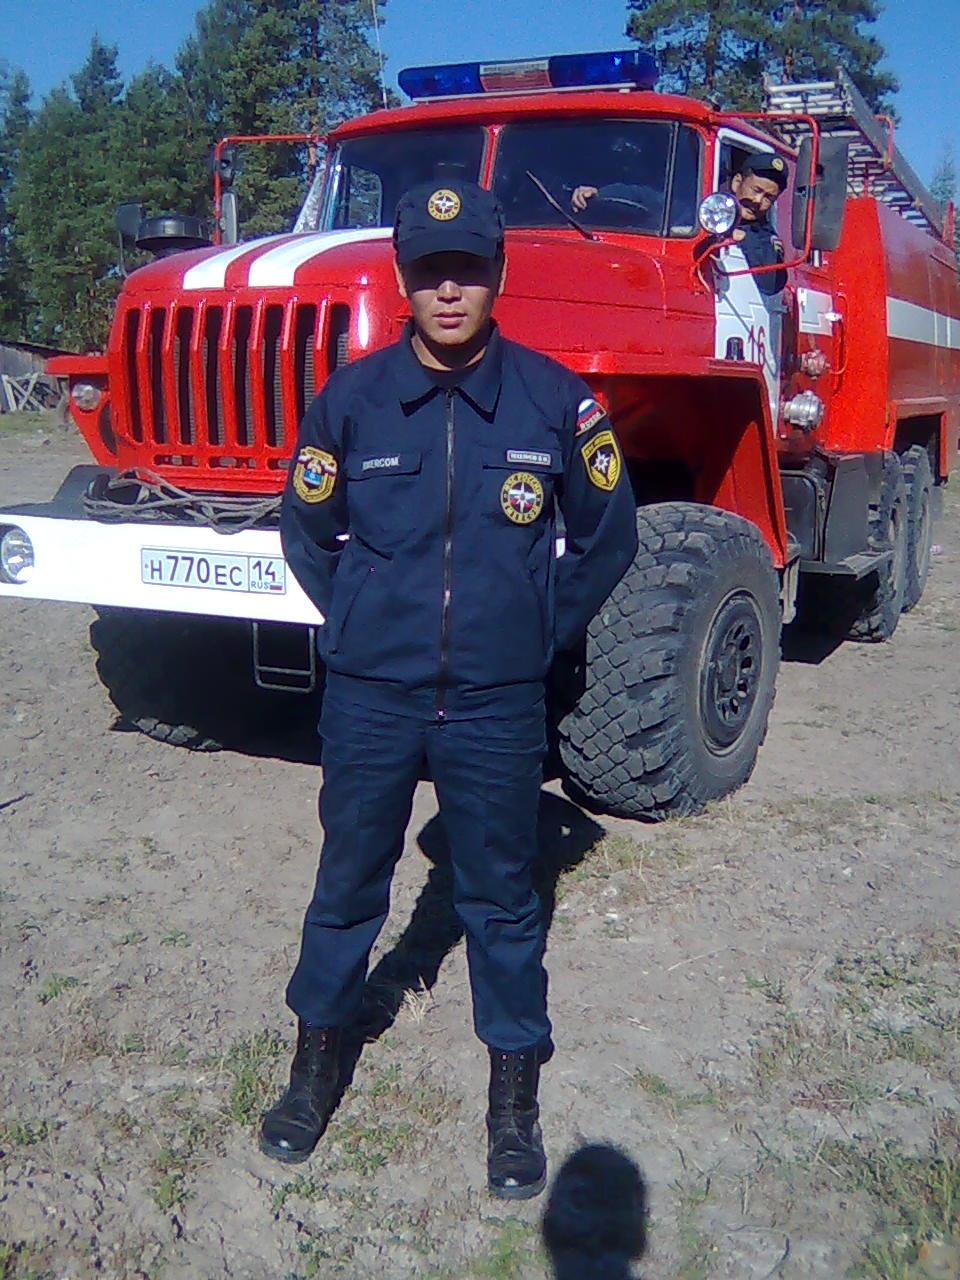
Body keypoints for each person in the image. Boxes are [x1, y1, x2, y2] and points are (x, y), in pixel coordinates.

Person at [260, 179, 639, 1199]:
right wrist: (360, 621)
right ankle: (313, 1067)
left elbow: (609, 536)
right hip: (371, 698)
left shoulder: (554, 402)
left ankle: (513, 1102)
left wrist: (533, 632)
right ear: (403, 279)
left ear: (497, 274)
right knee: (348, 883)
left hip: (495, 703)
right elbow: (305, 528)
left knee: (502, 899)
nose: (449, 290)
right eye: (430, 272)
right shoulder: (352, 400)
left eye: (467, 269)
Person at [726, 151, 788, 296]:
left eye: (768, 198)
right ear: (737, 183)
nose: (758, 200)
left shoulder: (765, 238)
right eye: (756, 190)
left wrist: (745, 239)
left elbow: (771, 284)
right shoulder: (706, 212)